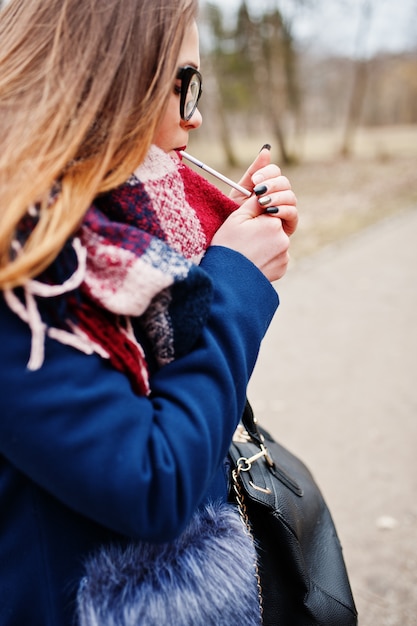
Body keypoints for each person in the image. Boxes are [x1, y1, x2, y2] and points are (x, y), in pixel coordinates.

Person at [0, 0, 298, 624]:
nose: (195, 117)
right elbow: (153, 482)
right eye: (185, 83)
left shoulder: (117, 234)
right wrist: (234, 283)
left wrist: (222, 249)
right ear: (114, 79)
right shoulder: (23, 263)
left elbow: (186, 402)